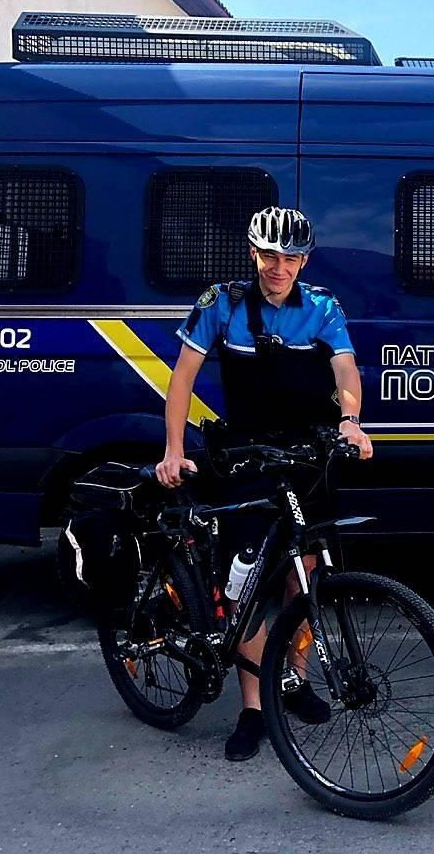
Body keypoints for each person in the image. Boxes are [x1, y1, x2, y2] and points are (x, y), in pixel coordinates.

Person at [154, 206, 374, 761]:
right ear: (253, 255)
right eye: (270, 256)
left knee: (306, 577)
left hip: (306, 458)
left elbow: (345, 369)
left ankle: (294, 681)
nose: (279, 267)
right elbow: (182, 378)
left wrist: (350, 420)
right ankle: (253, 707)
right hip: (245, 459)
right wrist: (174, 449)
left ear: (305, 261)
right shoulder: (222, 304)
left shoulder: (322, 306)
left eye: (290, 258)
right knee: (245, 582)